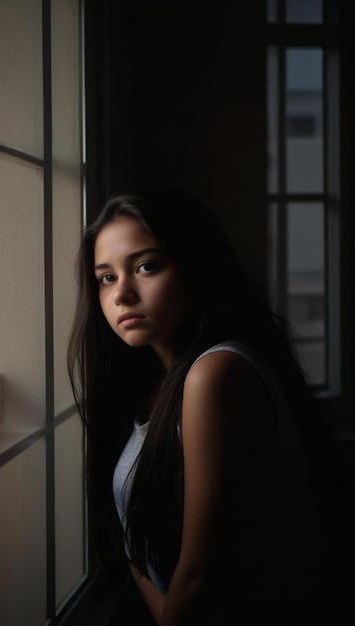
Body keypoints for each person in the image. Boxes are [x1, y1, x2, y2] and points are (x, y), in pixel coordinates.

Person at [67, 189, 354, 625]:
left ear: (192, 267)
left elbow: (198, 577)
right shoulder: (163, 385)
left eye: (146, 266)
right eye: (106, 277)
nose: (121, 293)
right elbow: (136, 549)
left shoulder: (215, 374)